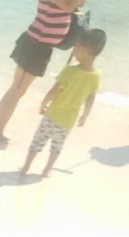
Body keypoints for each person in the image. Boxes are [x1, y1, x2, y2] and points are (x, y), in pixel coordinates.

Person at [0, 0, 86, 143]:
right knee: (16, 91)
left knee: (16, 91)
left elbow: (79, 4)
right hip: (36, 46)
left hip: (38, 46)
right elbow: (69, 7)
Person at [20, 28, 105, 178]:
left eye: (76, 47)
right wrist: (85, 115)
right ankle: (47, 170)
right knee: (57, 147)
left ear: (83, 49)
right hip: (68, 121)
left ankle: (26, 166)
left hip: (52, 115)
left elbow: (55, 90)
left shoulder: (69, 71)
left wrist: (43, 103)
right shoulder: (96, 76)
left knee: (38, 142)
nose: (74, 50)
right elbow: (91, 98)